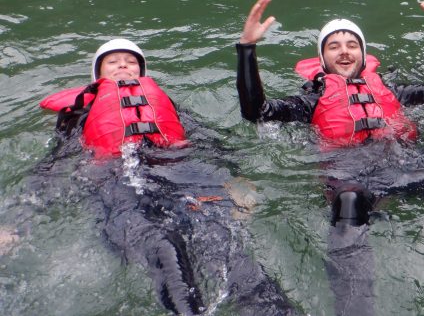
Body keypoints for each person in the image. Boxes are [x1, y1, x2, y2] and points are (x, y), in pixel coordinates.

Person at [236, 0, 424, 316]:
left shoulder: (392, 90)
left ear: (363, 53)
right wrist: (247, 49)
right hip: (353, 180)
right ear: (323, 58)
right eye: (334, 46)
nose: (344, 51)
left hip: (409, 169)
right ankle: (356, 308)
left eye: (352, 45)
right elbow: (257, 112)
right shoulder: (311, 100)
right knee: (349, 200)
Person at [39, 39, 297, 316]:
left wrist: (236, 177)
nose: (123, 65)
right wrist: (20, 220)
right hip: (117, 177)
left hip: (176, 169)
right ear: (97, 73)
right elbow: (55, 162)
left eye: (131, 61)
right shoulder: (80, 112)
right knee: (162, 247)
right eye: (113, 62)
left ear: (141, 71)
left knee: (221, 237)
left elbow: (206, 139)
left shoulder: (163, 102)